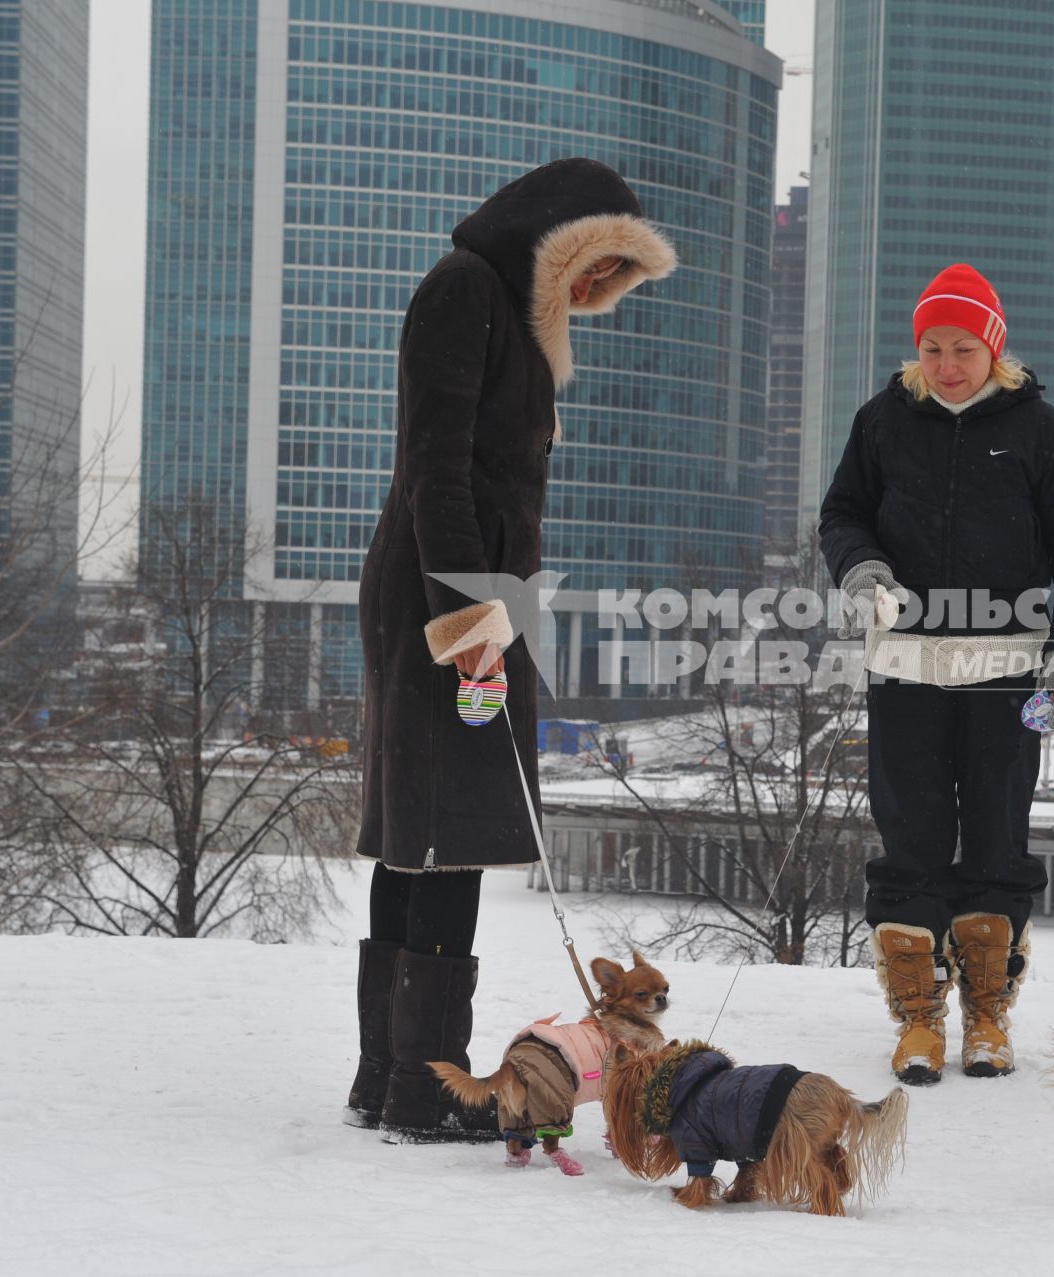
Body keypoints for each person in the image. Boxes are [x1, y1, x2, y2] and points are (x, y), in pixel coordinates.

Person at [346, 159, 675, 1140]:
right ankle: (427, 1089)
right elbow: (435, 473)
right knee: (443, 834)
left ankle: (391, 1077)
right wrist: (472, 621)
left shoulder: (512, 313)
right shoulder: (468, 291)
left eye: (612, 278)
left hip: (472, 592)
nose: (592, 291)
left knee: (427, 833)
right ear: (557, 238)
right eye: (592, 266)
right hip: (448, 598)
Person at [819, 263, 1054, 1085]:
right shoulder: (882, 423)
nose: (947, 364)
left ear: (994, 347)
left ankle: (987, 1013)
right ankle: (919, 1019)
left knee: (995, 837)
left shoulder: (1042, 433)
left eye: (962, 348)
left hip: (1006, 674)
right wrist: (861, 566)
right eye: (932, 347)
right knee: (909, 842)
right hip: (905, 669)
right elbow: (842, 513)